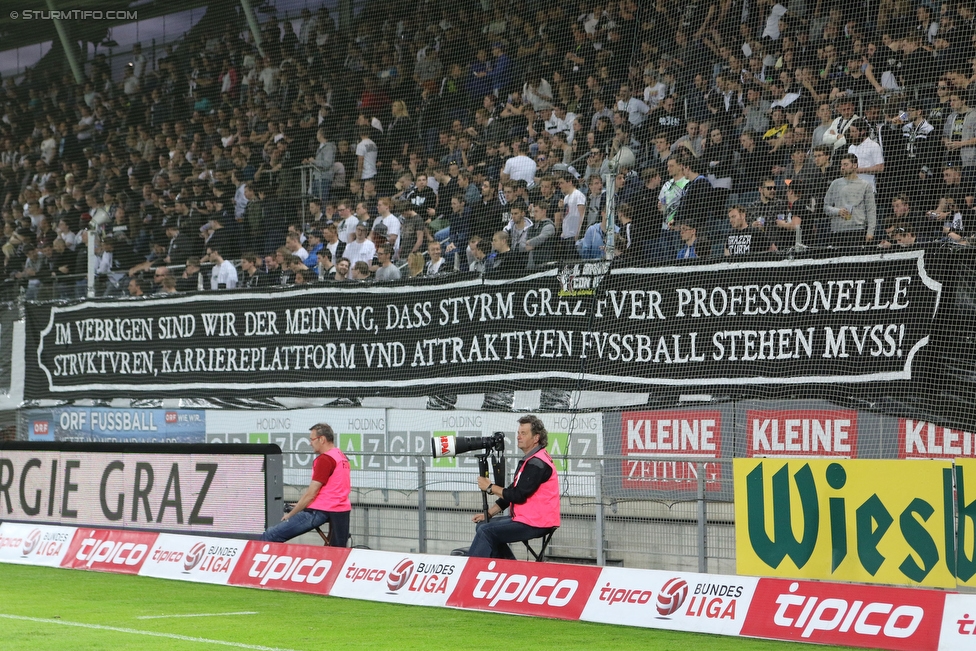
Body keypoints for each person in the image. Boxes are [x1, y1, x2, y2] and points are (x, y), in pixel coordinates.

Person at [468, 415, 560, 559]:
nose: (518, 437)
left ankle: (468, 571)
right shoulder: (531, 460)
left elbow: (517, 496)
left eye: (523, 433)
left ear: (536, 438)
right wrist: (490, 513)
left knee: (486, 531)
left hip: (536, 523)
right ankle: (509, 568)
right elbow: (511, 491)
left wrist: (490, 487)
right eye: (518, 433)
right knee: (483, 525)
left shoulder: (537, 463)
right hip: (527, 519)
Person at [260, 423, 351, 547]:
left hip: (321, 510)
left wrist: (290, 515)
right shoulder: (341, 456)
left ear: (322, 439)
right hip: (339, 509)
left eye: (312, 439)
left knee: (270, 536)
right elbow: (333, 489)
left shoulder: (325, 460)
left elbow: (311, 494)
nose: (310, 443)